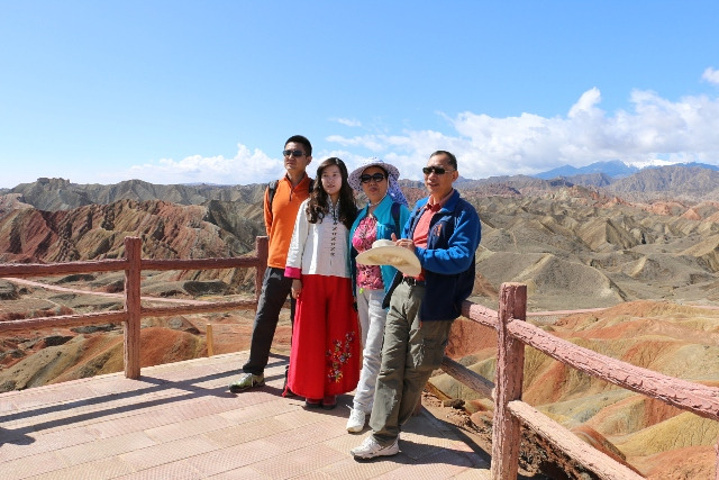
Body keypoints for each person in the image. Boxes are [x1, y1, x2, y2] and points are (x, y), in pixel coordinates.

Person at [350, 150, 481, 460]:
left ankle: (386, 435)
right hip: (401, 291)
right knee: (389, 366)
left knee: (415, 371)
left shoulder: (463, 214)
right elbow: (407, 245)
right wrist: (397, 249)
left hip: (432, 299)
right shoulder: (420, 207)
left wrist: (417, 254)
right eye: (427, 170)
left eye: (439, 170)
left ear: (454, 175)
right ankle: (383, 436)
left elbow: (460, 258)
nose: (431, 175)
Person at [229, 135, 313, 393]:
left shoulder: (315, 190)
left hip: (304, 269)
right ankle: (254, 372)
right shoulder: (274, 188)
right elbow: (270, 225)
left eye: (297, 153)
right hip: (276, 265)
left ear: (308, 159)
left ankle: (294, 377)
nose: (290, 157)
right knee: (264, 319)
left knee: (299, 324)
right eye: (287, 152)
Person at [284, 157, 360, 409]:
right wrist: (295, 278)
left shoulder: (352, 211)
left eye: (335, 174)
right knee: (311, 335)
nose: (330, 180)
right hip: (312, 279)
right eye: (325, 175)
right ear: (319, 179)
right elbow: (297, 243)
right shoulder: (309, 207)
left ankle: (331, 389)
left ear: (343, 178)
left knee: (337, 332)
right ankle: (311, 389)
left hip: (342, 280)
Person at [345, 158, 410, 433]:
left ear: (387, 181)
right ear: (361, 185)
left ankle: (359, 407)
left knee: (372, 351)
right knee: (369, 349)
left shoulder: (397, 211)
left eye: (378, 177)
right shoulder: (362, 214)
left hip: (385, 291)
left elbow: (412, 247)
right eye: (367, 178)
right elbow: (353, 254)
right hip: (362, 290)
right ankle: (373, 402)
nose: (372, 182)